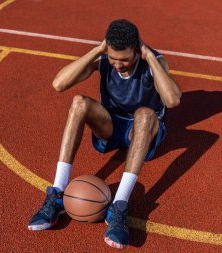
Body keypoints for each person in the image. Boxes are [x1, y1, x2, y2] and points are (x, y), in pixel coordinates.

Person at [27, 19, 181, 249]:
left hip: (143, 129)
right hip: (111, 125)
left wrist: (148, 55)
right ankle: (57, 193)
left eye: (125, 60)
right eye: (113, 58)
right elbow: (59, 84)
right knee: (79, 102)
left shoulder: (154, 61)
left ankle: (119, 205)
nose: (118, 65)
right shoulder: (104, 57)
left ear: (137, 51)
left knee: (146, 115)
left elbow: (172, 100)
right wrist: (98, 51)